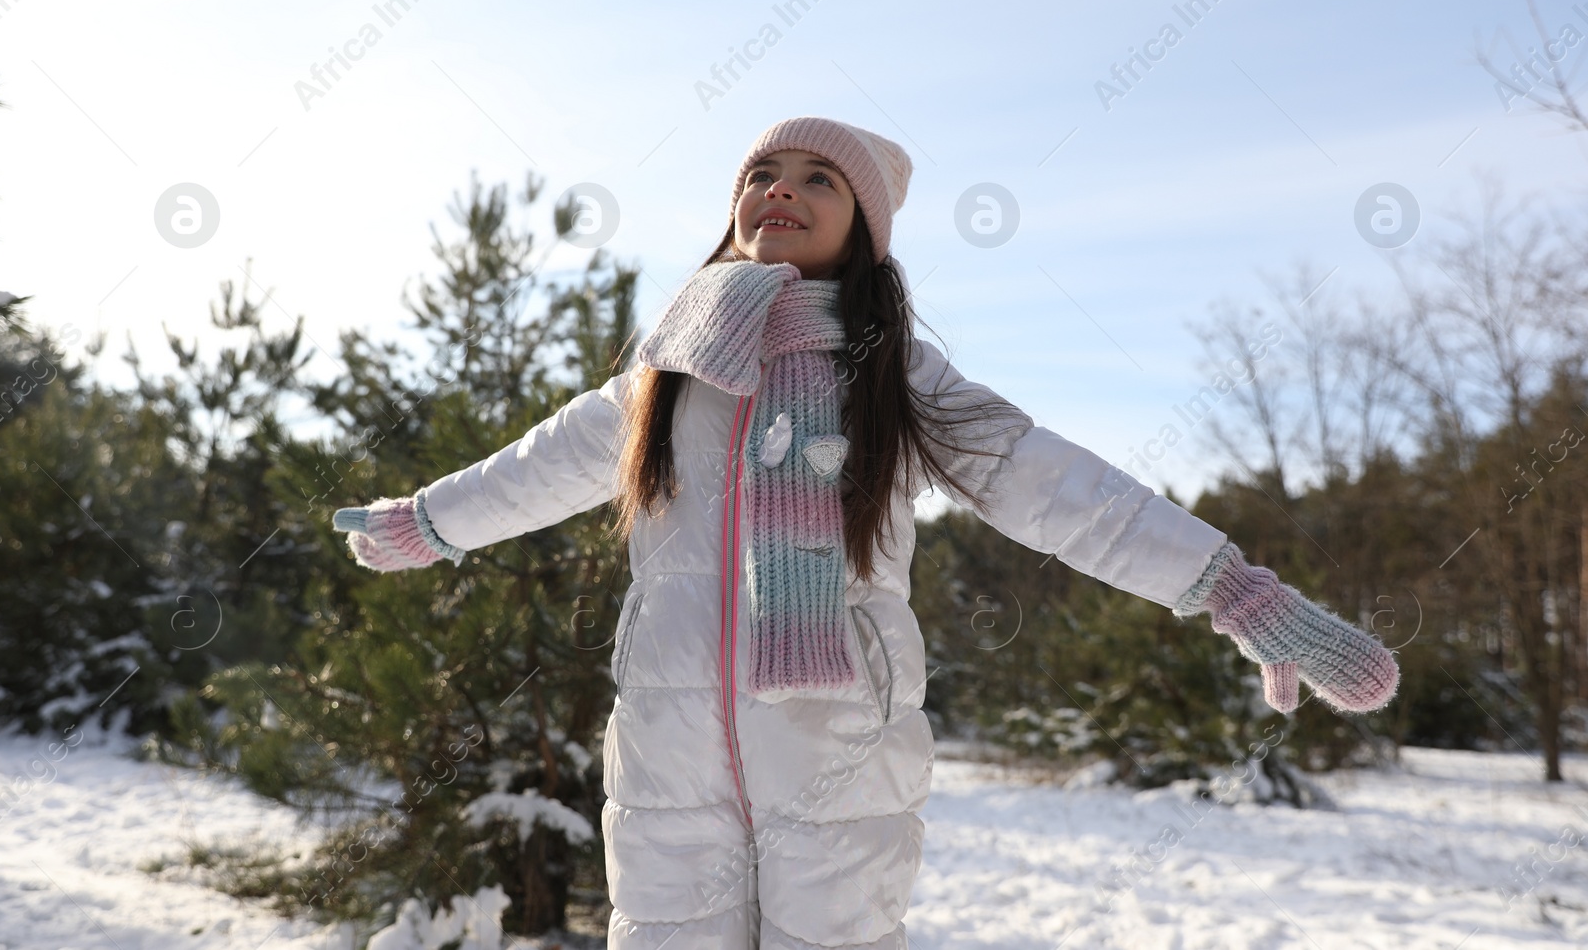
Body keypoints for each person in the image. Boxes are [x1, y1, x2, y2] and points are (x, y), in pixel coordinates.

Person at [332, 116, 1399, 949]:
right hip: (664, 738)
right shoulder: (664, 373)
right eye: (762, 172)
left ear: (865, 226)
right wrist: (427, 519)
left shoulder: (894, 374)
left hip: (841, 739)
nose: (780, 188)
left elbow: (1055, 486)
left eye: (817, 177)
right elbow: (538, 463)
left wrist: (1227, 585)